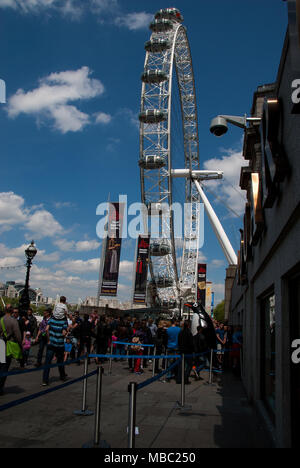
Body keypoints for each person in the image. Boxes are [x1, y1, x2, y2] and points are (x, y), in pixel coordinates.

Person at [42, 308, 69, 387]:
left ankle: (45, 380)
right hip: (60, 345)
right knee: (60, 362)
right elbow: (64, 333)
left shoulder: (51, 320)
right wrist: (66, 332)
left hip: (51, 344)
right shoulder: (64, 321)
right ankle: (62, 376)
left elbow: (46, 329)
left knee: (47, 362)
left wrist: (49, 340)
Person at [0, 306, 23, 396]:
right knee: (4, 367)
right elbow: (18, 335)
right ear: (12, 311)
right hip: (7, 346)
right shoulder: (13, 321)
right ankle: (0, 387)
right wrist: (20, 345)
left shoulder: (0, 319)